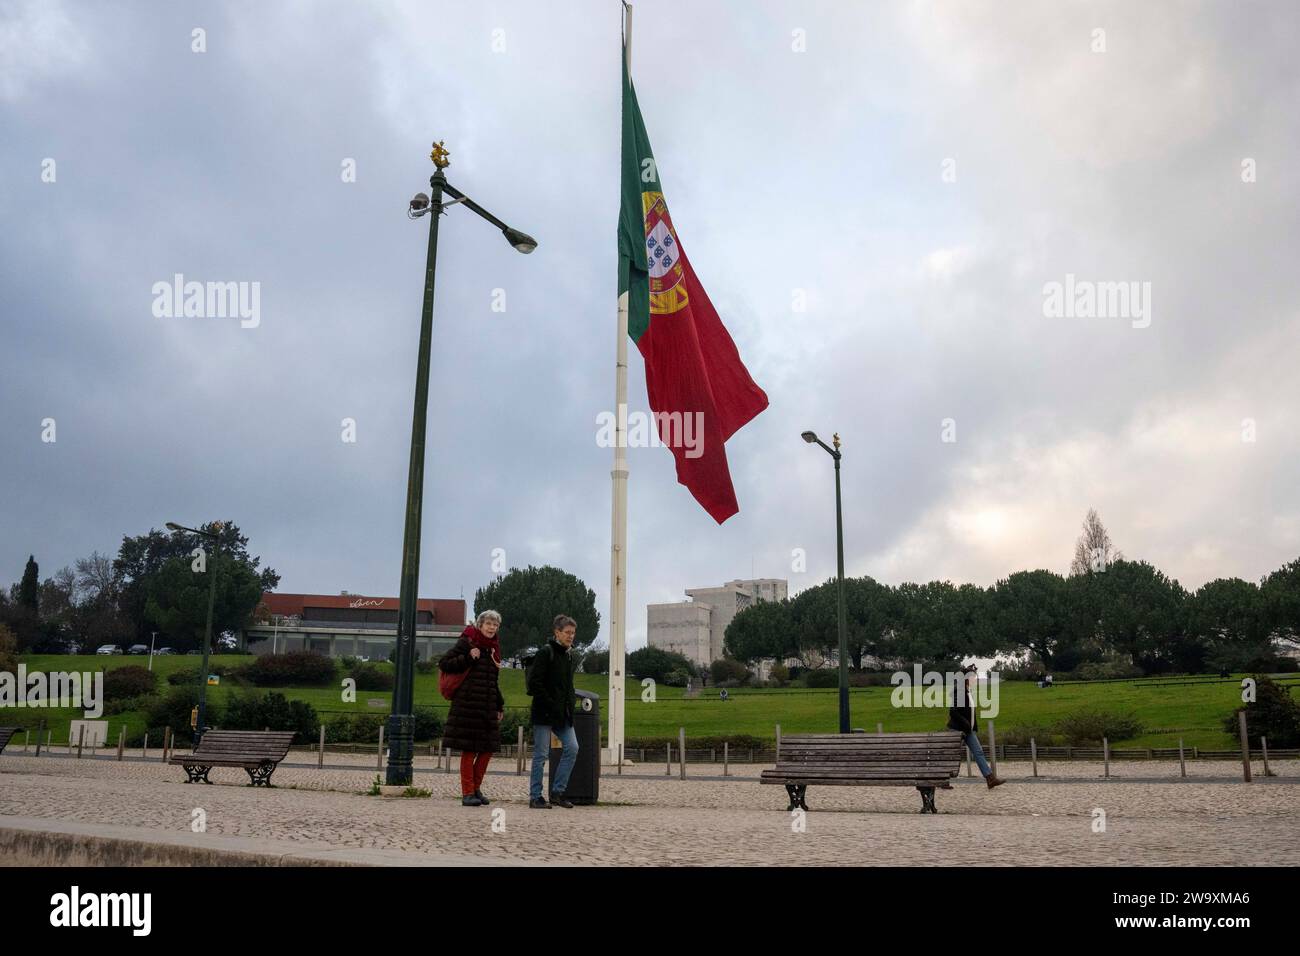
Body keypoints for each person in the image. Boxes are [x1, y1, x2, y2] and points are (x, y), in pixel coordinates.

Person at [439, 610, 505, 807]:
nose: (492, 628)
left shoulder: (494, 649)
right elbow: (445, 664)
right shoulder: (467, 642)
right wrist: (468, 657)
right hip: (467, 706)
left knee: (487, 750)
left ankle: (476, 787)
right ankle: (467, 792)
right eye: (489, 624)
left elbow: (493, 680)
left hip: (487, 706)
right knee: (469, 751)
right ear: (480, 625)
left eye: (495, 625)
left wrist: (499, 704)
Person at [527, 614, 579, 809]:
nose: (571, 636)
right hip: (544, 712)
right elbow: (535, 683)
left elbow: (568, 685)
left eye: (573, 633)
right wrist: (550, 703)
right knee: (541, 755)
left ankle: (557, 792)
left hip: (562, 714)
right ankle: (535, 796)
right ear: (557, 632)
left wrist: (570, 703)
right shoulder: (545, 653)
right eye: (567, 632)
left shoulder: (569, 655)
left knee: (572, 748)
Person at [947, 666, 1005, 789]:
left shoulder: (968, 692)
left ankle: (990, 778)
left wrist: (971, 726)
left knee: (978, 752)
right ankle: (942, 780)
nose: (975, 679)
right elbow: (953, 711)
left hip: (968, 730)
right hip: (958, 730)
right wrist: (965, 723)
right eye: (973, 677)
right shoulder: (960, 692)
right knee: (950, 755)